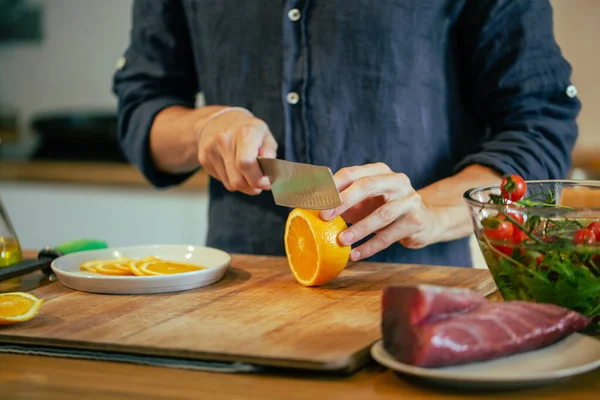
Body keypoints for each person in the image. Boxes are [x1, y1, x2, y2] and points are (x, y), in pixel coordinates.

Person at [112, 0, 581, 267]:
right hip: (237, 292)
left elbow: (539, 123)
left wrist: (433, 212)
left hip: (413, 301)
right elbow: (141, 110)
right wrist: (201, 127)